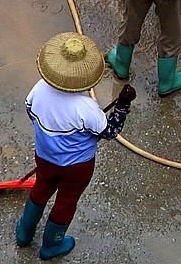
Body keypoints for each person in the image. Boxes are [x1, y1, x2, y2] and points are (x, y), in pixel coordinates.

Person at [16, 32, 137, 260]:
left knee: (41, 187)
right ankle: (51, 246)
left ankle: (24, 233)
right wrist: (122, 106)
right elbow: (109, 131)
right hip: (77, 167)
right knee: (67, 200)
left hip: (44, 156)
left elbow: (30, 111)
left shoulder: (39, 89)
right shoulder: (86, 108)